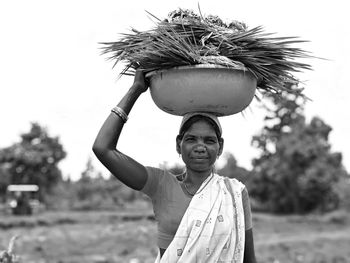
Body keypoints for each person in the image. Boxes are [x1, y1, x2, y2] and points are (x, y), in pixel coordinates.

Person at [92, 70, 257, 263]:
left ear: (220, 147)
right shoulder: (161, 184)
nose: (200, 147)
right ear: (179, 144)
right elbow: (103, 149)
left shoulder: (234, 193)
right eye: (191, 139)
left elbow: (248, 259)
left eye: (209, 140)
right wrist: (135, 90)